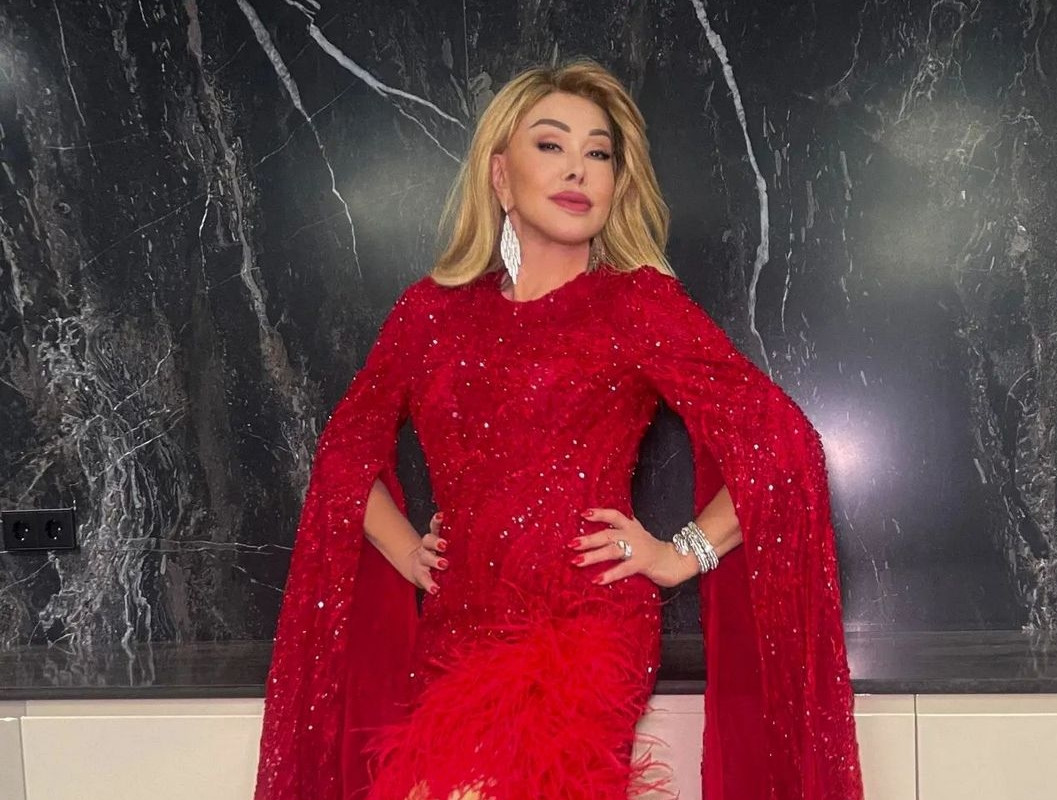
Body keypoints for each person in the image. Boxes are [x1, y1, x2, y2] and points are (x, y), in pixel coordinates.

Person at [254, 57, 863, 800]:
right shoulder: (430, 314)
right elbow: (342, 456)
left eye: (598, 153)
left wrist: (681, 554)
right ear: (501, 176)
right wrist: (408, 551)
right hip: (457, 633)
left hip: (585, 628)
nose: (578, 168)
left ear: (616, 184)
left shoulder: (636, 305)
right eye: (551, 144)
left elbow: (783, 445)